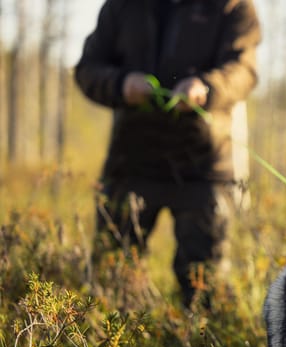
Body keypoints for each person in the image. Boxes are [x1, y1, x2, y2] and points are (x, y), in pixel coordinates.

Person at [75, 0, 261, 307]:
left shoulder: (233, 7)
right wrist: (121, 84)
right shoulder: (122, 6)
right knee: (111, 281)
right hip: (132, 162)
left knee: (204, 291)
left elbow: (243, 70)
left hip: (204, 166)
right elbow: (87, 69)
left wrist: (206, 87)